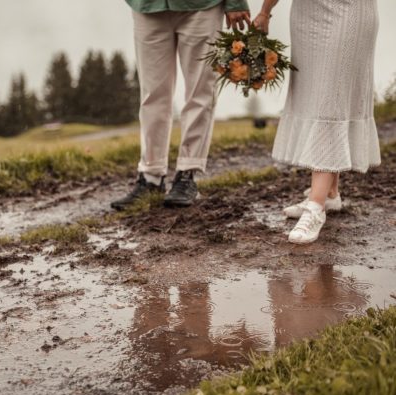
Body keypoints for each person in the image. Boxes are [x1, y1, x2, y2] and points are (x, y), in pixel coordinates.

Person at [254, 0, 380, 244]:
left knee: (330, 100)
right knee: (315, 97)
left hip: (348, 10)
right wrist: (265, 11)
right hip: (307, 15)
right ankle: (329, 193)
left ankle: (316, 205)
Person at [111, 0, 251, 210]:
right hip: (147, 6)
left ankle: (188, 171)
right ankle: (151, 175)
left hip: (202, 7)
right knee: (151, 94)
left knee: (200, 89)